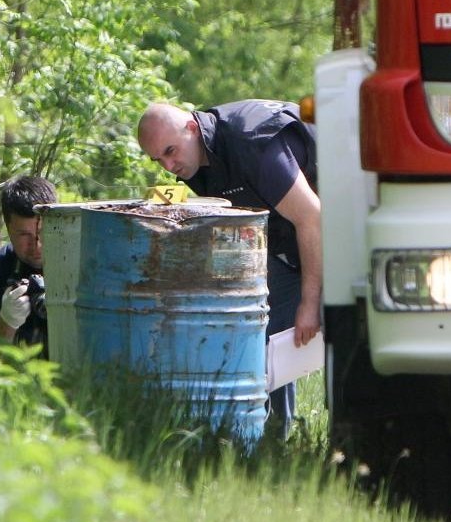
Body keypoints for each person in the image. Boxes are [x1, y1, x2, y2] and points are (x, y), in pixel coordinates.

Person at [137, 100, 321, 439]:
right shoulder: (194, 160)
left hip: (338, 228)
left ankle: (346, 446)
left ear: (191, 127)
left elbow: (312, 216)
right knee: (258, 332)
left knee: (345, 334)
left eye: (170, 151)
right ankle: (269, 439)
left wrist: (309, 303)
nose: (168, 165)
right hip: (286, 243)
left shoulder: (251, 142)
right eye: (158, 160)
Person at [0, 175, 57, 358]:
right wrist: (7, 321)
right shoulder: (2, 265)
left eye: (42, 232)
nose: (37, 244)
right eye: (24, 235)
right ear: (8, 231)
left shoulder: (79, 260)